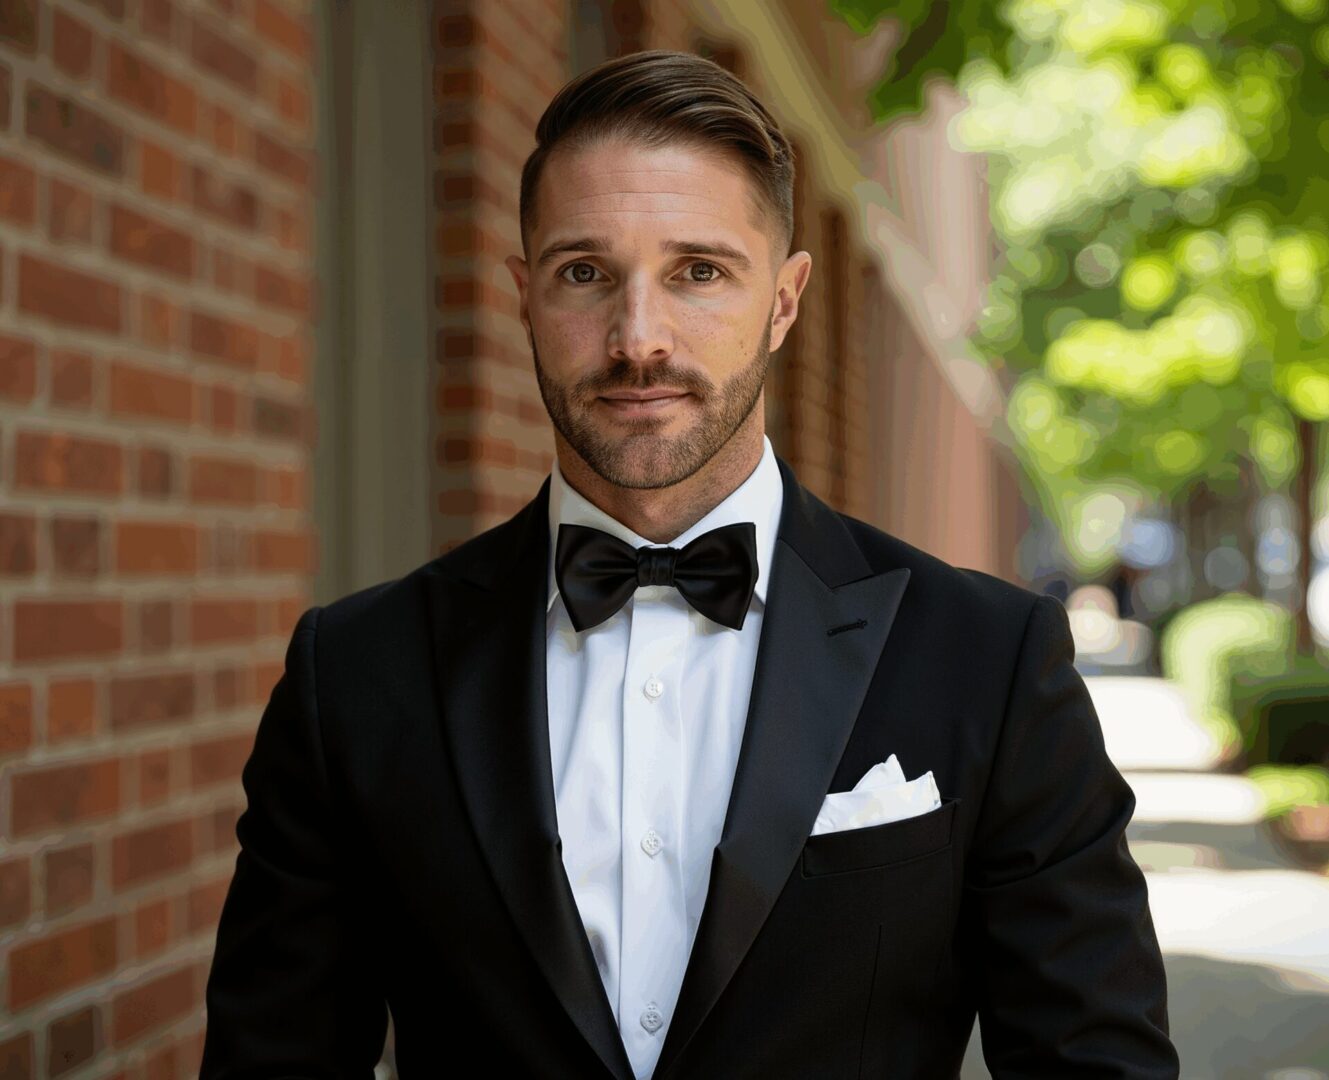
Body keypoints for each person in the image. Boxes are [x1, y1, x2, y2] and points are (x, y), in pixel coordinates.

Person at [199, 49, 1178, 1080]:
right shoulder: (354, 671)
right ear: (524, 297)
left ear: (786, 300)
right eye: (586, 274)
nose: (638, 339)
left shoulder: (988, 657)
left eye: (698, 272)